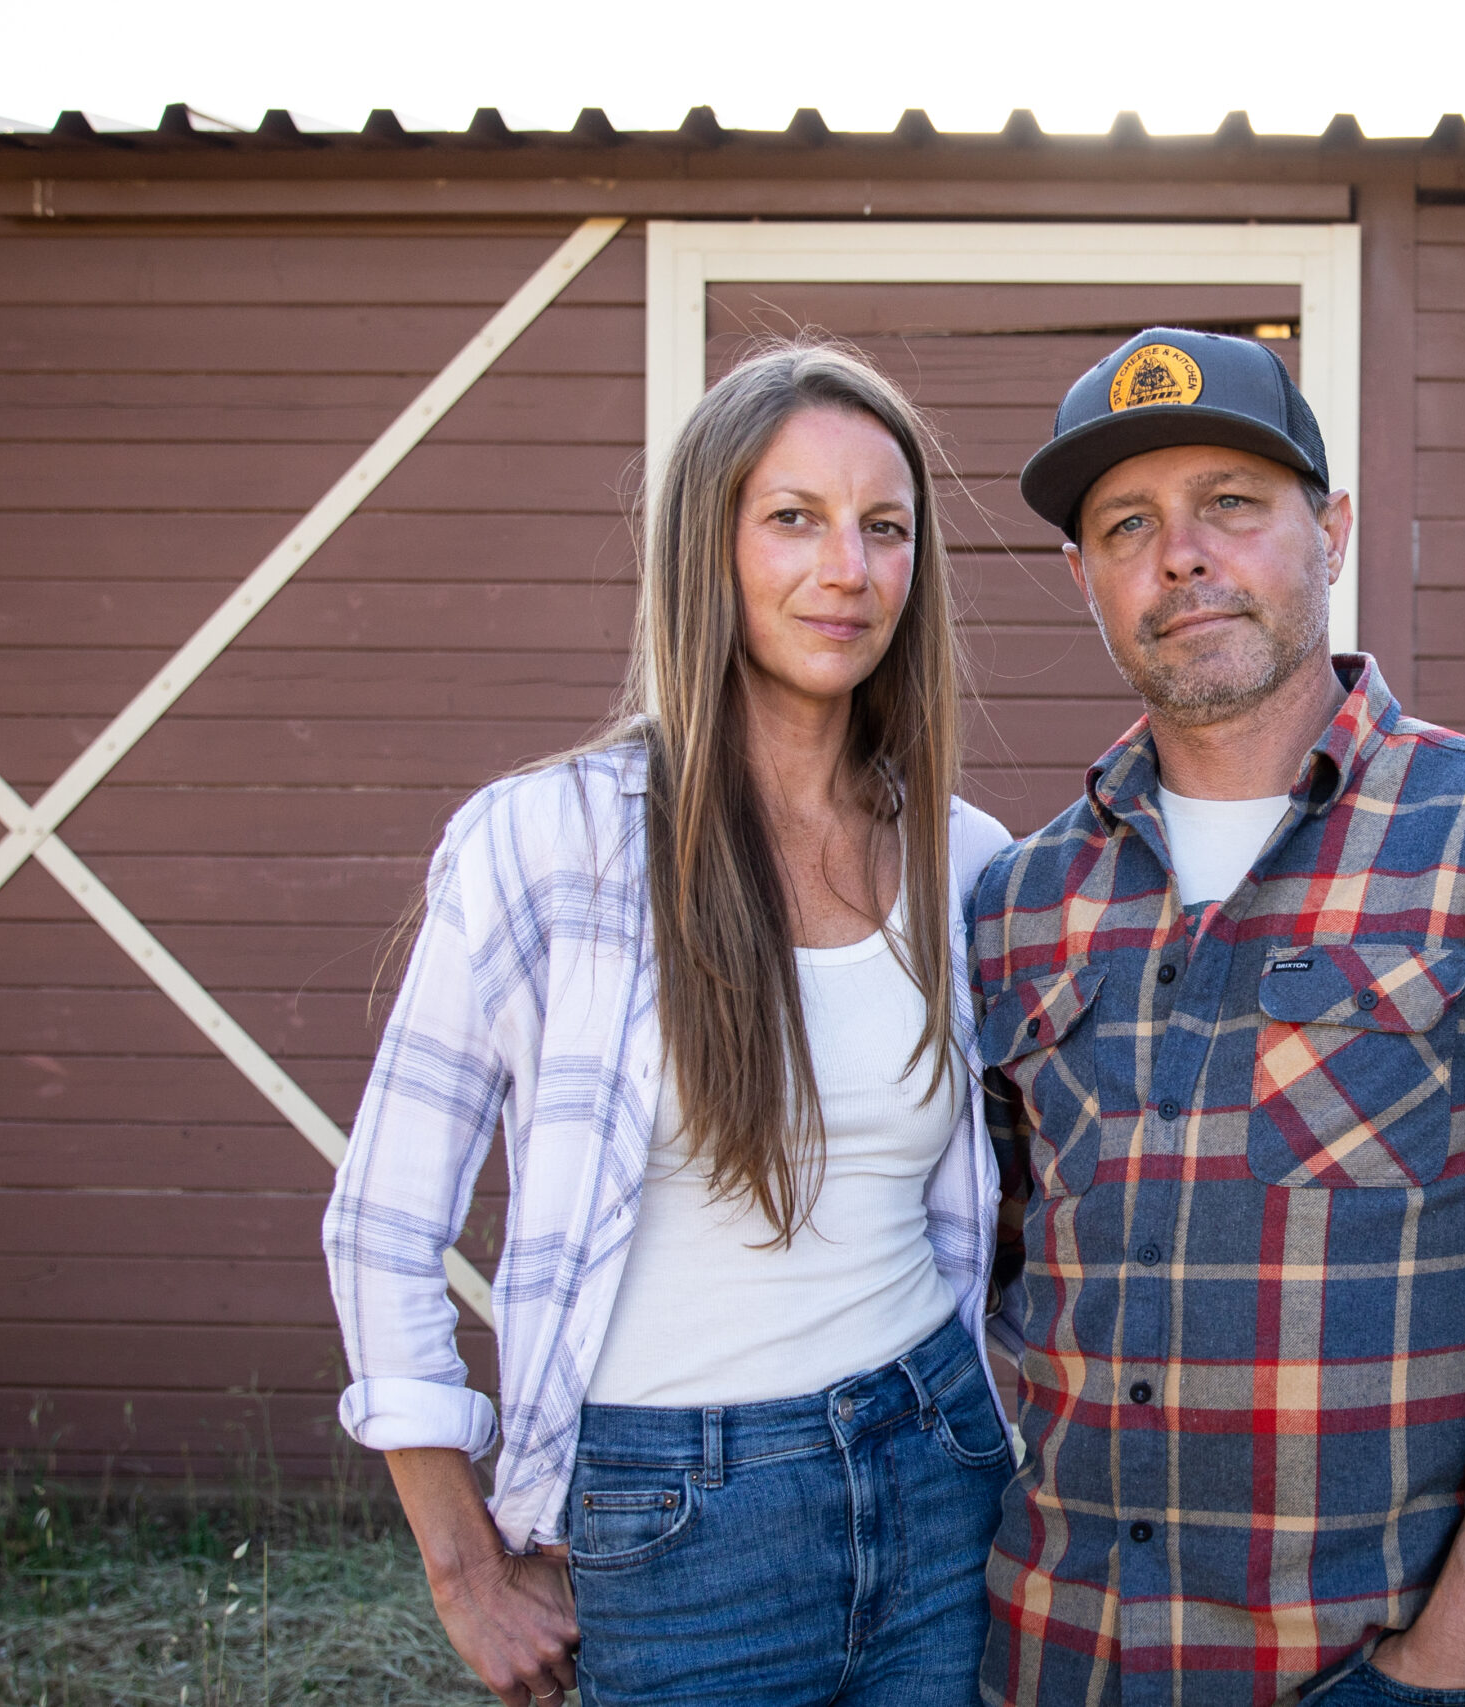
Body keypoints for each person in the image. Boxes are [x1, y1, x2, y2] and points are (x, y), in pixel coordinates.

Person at [970, 329, 1465, 1707]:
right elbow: (983, 1265)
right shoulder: (1019, 900)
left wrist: (1450, 1664)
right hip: (1048, 1656)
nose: (1181, 555)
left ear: (1334, 529)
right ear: (1083, 582)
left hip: (1358, 1672)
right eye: (1127, 525)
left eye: (1231, 504)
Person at [324, 343, 1017, 1707]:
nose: (851, 569)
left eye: (886, 529)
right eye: (795, 519)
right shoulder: (550, 845)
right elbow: (384, 1223)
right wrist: (462, 1562)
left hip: (939, 1469)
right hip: (678, 1520)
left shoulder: (967, 860)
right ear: (711, 544)